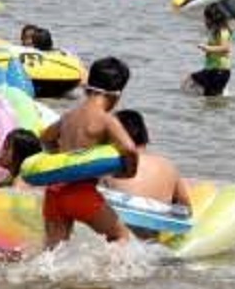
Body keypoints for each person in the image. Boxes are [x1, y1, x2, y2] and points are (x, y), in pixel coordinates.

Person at [38, 56, 139, 248]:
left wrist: (59, 158)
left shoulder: (68, 116)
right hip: (81, 192)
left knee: (53, 251)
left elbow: (45, 138)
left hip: (54, 192)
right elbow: (129, 148)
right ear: (117, 95)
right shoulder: (105, 119)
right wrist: (128, 172)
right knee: (120, 237)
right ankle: (105, 269)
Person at [104, 109, 192, 236]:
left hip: (123, 226)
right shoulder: (168, 166)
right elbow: (187, 209)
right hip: (155, 227)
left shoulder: (110, 165)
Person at [184, 4, 232, 97]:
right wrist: (208, 51)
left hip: (219, 71)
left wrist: (207, 48)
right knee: (189, 81)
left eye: (206, 18)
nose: (204, 20)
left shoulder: (222, 31)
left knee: (212, 99)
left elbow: (226, 48)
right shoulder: (214, 31)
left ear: (213, 18)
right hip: (211, 70)